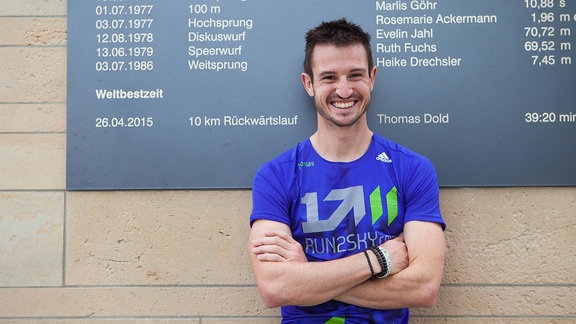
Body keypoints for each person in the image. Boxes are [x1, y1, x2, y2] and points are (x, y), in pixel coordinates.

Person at [248, 18, 446, 323]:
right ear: (308, 83)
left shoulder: (412, 169)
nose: (343, 90)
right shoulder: (275, 176)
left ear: (372, 78)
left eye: (355, 75)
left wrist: (308, 273)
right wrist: (379, 260)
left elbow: (424, 288)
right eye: (329, 77)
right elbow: (275, 287)